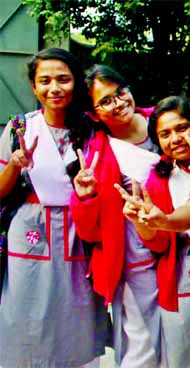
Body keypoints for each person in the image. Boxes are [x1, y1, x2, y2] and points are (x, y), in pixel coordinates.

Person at [0, 48, 108, 367]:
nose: (54, 88)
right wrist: (15, 165)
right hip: (30, 230)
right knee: (25, 307)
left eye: (63, 79)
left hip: (79, 228)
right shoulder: (20, 127)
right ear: (34, 87)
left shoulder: (92, 130)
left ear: (76, 83)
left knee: (75, 308)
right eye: (44, 81)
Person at [116, 96, 190, 367]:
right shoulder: (159, 178)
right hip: (183, 268)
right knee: (185, 348)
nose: (176, 139)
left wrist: (166, 220)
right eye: (165, 133)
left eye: (182, 128)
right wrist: (143, 221)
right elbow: (158, 243)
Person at [70, 65, 162, 367]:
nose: (119, 103)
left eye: (120, 92)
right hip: (136, 258)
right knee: (140, 345)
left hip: (184, 252)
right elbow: (88, 231)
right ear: (94, 114)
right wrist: (86, 198)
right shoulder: (95, 153)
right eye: (106, 101)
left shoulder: (165, 123)